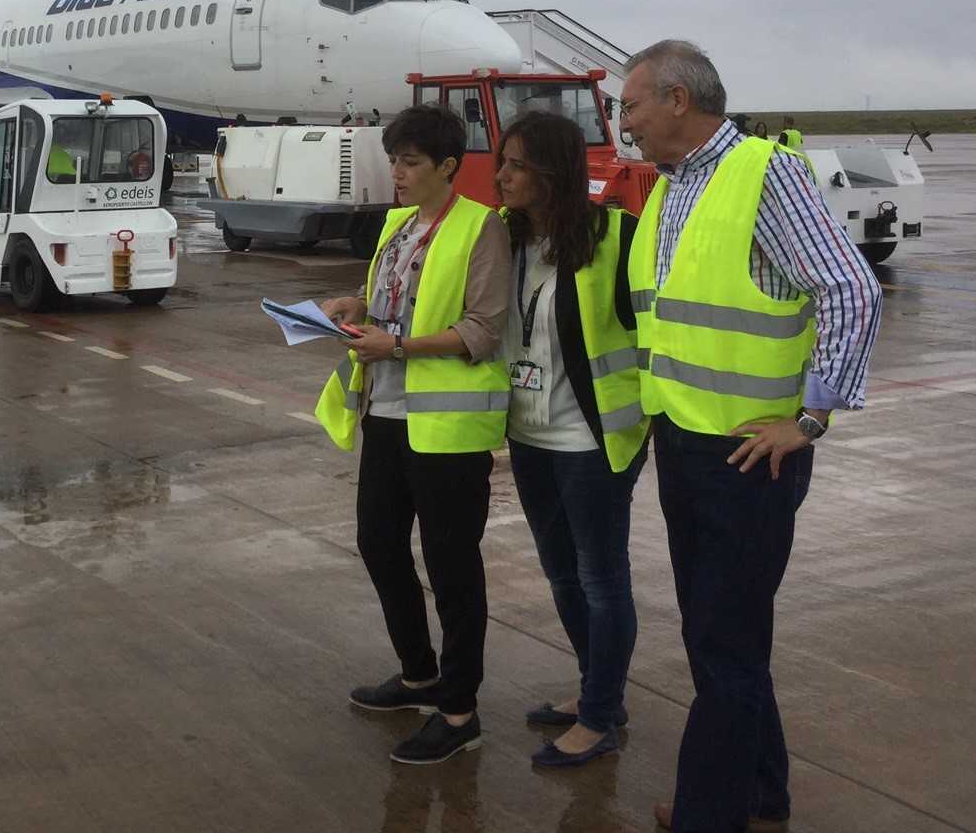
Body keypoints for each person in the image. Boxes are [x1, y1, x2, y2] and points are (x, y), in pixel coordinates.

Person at [617, 41, 881, 833]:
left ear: (676, 100)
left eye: (630, 105)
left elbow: (851, 290)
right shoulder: (670, 190)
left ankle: (710, 815)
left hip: (746, 455)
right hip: (686, 443)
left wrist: (809, 418)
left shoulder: (763, 173)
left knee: (725, 648)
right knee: (718, 637)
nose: (622, 122)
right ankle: (759, 799)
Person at [316, 104, 512, 765]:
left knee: (453, 566)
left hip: (448, 429)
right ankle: (419, 674)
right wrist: (356, 307)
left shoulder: (481, 229)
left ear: (447, 168)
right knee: (378, 543)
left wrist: (396, 345)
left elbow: (482, 330)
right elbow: (392, 301)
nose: (396, 173)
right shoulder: (397, 227)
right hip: (386, 416)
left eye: (410, 163)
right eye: (393, 160)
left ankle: (459, 710)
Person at [494, 111, 650, 769]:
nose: (501, 176)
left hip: (594, 443)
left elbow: (660, 332)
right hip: (529, 437)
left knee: (601, 578)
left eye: (516, 165)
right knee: (562, 574)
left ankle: (598, 717)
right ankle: (598, 694)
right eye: (503, 163)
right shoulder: (504, 240)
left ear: (552, 172)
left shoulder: (617, 235)